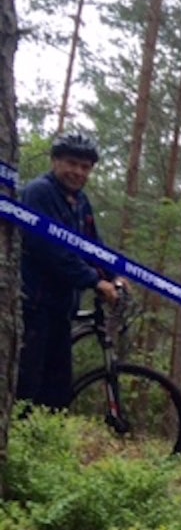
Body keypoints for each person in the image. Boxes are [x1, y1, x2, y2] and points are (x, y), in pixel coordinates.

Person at [16, 132, 120, 410]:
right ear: (55, 162)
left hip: (61, 307)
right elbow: (48, 249)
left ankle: (44, 447)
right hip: (32, 304)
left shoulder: (80, 202)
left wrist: (113, 275)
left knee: (57, 390)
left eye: (85, 167)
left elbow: (92, 246)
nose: (77, 172)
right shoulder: (40, 192)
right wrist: (95, 282)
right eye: (71, 164)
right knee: (26, 384)